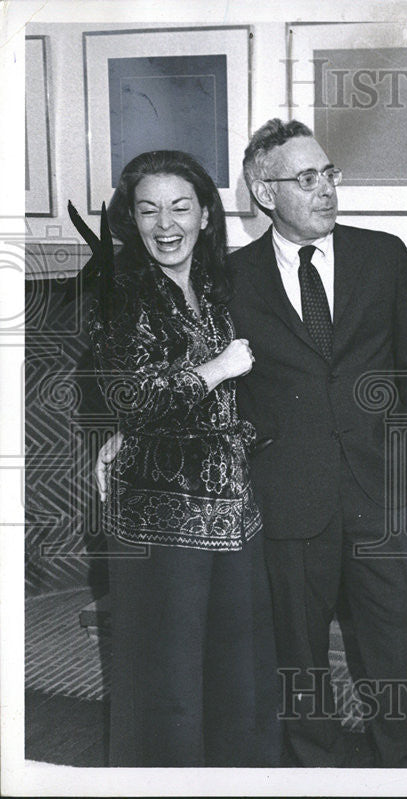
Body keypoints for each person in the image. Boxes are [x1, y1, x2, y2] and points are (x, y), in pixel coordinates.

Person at [97, 120, 407, 767]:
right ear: (263, 191)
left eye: (329, 173)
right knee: (300, 678)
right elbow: (194, 368)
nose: (326, 189)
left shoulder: (384, 255)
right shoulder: (229, 279)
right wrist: (124, 429)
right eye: (306, 179)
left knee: (400, 673)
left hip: (382, 505)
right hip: (286, 505)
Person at [86, 150, 280, 766]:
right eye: (148, 209)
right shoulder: (119, 291)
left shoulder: (217, 282)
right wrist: (215, 370)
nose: (164, 224)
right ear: (131, 218)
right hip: (159, 522)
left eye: (179, 207)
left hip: (232, 516)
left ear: (203, 215)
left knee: (237, 680)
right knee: (165, 688)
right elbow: (128, 394)